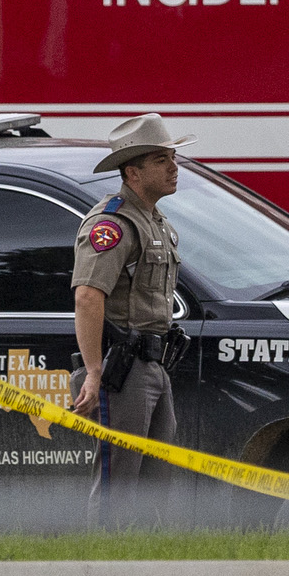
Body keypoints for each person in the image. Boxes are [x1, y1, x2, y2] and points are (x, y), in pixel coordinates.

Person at [69, 113, 190, 520]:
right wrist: (93, 371)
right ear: (133, 172)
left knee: (155, 482)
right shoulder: (113, 223)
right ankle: (102, 570)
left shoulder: (155, 222)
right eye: (161, 160)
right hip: (123, 369)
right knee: (118, 481)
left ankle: (143, 569)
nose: (174, 168)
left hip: (154, 364)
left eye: (174, 157)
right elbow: (88, 296)